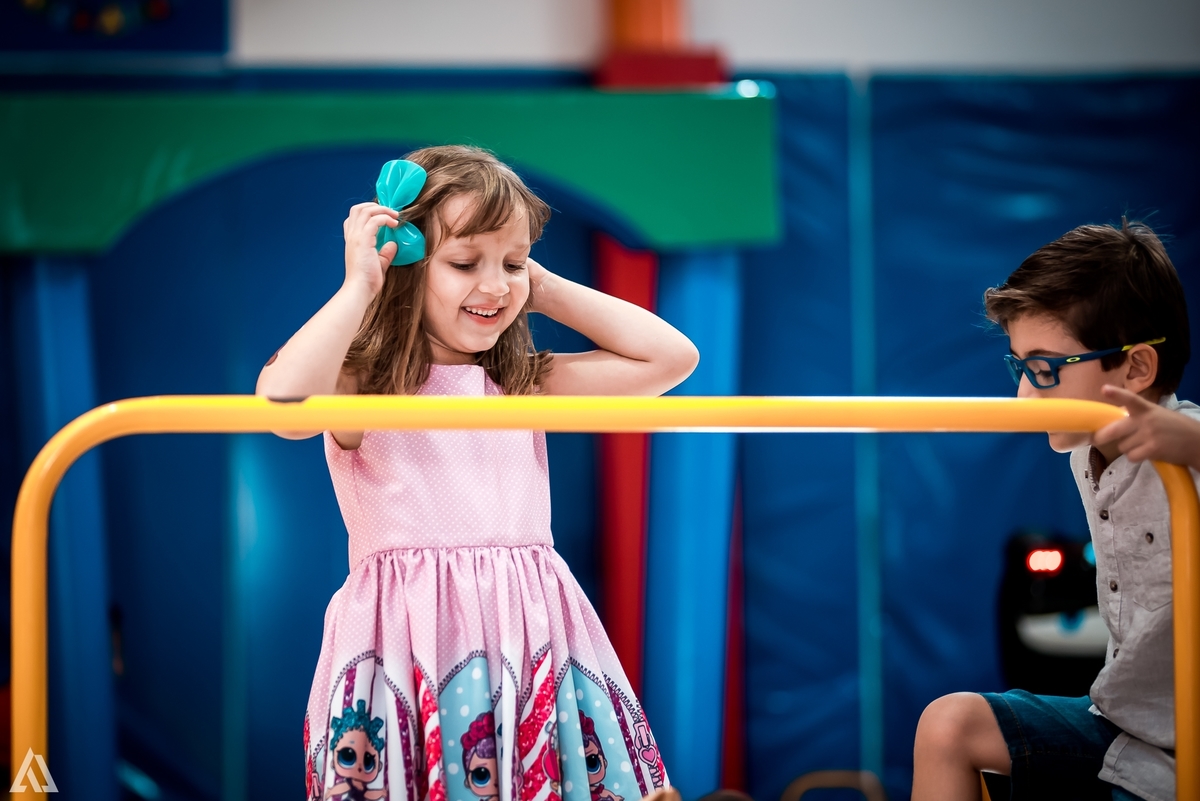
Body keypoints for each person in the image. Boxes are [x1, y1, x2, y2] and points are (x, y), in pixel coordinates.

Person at [257, 145, 694, 801]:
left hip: (532, 636)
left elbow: (671, 357)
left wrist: (537, 285)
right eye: (466, 263)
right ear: (404, 262)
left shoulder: (522, 384)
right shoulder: (363, 387)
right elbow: (283, 406)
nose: (494, 284)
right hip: (410, 644)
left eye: (511, 262)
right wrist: (360, 285)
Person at [911, 219, 1199, 801]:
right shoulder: (1086, 448)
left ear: (1137, 369)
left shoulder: (1181, 447)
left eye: (1044, 371)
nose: (1023, 397)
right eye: (1020, 368)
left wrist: (1190, 444)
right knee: (948, 725)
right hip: (1127, 731)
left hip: (1184, 750)